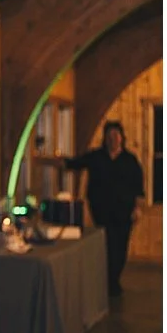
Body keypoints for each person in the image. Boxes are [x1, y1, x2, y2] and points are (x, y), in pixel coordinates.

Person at [62, 121, 145, 296]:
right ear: (105, 138)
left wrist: (137, 209)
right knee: (106, 244)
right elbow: (75, 163)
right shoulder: (96, 156)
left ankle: (114, 280)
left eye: (116, 136)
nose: (113, 139)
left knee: (120, 246)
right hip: (102, 210)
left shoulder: (130, 160)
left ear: (122, 138)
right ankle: (106, 281)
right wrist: (56, 160)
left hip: (124, 211)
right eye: (109, 136)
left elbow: (139, 187)